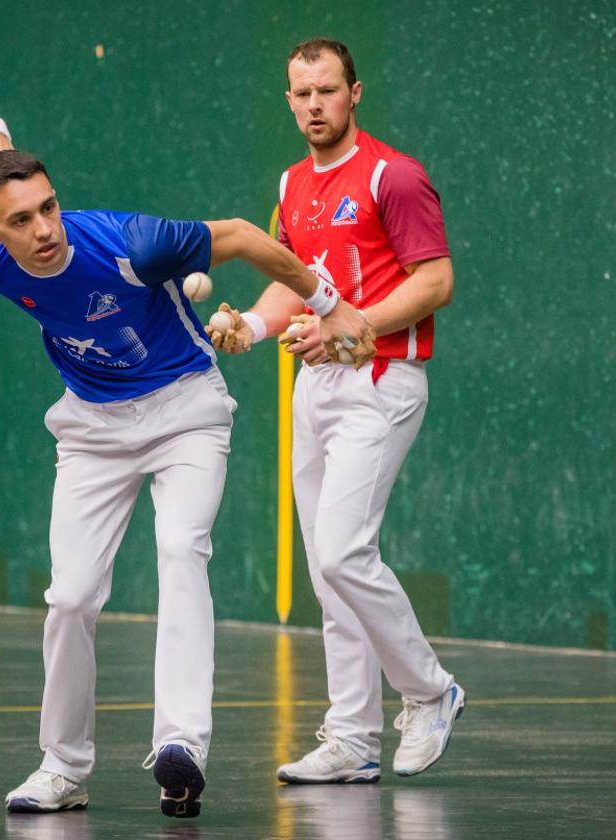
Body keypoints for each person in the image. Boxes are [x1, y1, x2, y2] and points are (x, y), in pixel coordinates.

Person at [0, 107, 370, 818]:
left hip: (185, 411)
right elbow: (2, 173)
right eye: (21, 220)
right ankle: (63, 767)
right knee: (70, 596)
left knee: (180, 548)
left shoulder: (133, 244)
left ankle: (182, 747)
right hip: (90, 427)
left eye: (50, 208)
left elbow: (239, 235)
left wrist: (332, 304)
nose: (43, 229)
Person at [206, 38, 465, 783]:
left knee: (345, 550)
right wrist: (250, 325)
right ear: (288, 100)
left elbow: (436, 281)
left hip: (383, 378)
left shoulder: (395, 175)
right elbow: (293, 279)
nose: (314, 105)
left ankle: (429, 691)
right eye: (301, 94)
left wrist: (356, 327)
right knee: (329, 571)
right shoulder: (291, 184)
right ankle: (352, 737)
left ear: (355, 93)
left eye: (327, 91)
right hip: (314, 386)